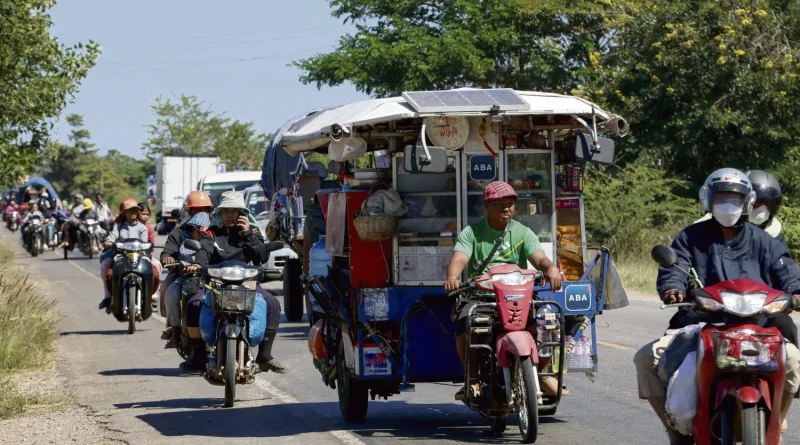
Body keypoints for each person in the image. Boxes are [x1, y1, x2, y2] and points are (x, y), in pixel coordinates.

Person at [632, 168, 800, 445]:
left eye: (735, 198)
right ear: (708, 199)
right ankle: (676, 432)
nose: (729, 204)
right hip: (700, 323)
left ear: (748, 201)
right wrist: (672, 289)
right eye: (722, 196)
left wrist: (796, 293)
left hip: (757, 326)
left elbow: (788, 274)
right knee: (645, 360)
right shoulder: (689, 237)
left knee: (793, 360)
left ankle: (776, 424)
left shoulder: (765, 242)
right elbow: (675, 268)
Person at [444, 181, 563, 400]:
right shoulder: (472, 233)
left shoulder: (523, 233)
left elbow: (539, 258)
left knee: (549, 322)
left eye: (510, 204)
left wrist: (551, 269)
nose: (506, 208)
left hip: (519, 297)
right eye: (499, 204)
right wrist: (453, 277)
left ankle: (541, 371)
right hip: (483, 297)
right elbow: (459, 258)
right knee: (466, 324)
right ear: (487, 206)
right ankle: (472, 379)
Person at [178, 191, 286, 374]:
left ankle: (265, 356)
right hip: (216, 284)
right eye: (226, 211)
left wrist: (246, 234)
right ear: (219, 213)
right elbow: (204, 251)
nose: (230, 215)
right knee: (194, 303)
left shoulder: (251, 233)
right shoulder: (212, 233)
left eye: (234, 211)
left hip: (247, 284)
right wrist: (197, 264)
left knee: (273, 303)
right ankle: (198, 356)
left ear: (241, 214)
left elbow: (261, 255)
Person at [160, 190, 214, 342]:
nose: (200, 214)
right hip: (185, 275)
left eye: (204, 210)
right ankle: (176, 330)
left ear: (210, 211)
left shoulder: (216, 231)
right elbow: (167, 252)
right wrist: (168, 258)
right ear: (190, 211)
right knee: (170, 292)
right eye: (196, 210)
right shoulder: (179, 232)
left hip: (214, 277)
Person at [99, 199, 149, 310]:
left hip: (138, 256)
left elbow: (144, 243)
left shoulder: (142, 228)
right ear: (125, 213)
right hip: (121, 256)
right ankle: (110, 297)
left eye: (135, 210)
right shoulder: (119, 226)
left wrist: (144, 248)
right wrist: (109, 241)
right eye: (130, 211)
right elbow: (112, 236)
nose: (133, 213)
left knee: (149, 270)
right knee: (108, 267)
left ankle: (148, 297)